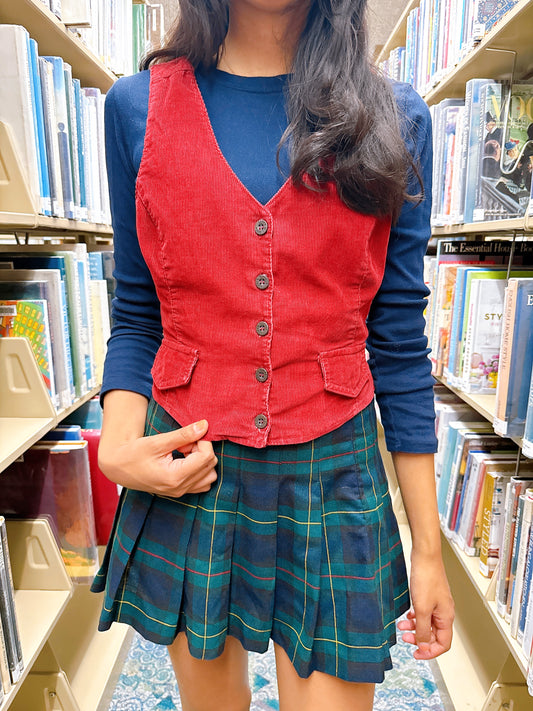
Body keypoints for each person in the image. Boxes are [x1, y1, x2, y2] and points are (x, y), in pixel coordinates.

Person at [92, 1, 455, 710]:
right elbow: (138, 312)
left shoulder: (397, 116)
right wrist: (116, 444)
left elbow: (399, 346)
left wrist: (428, 546)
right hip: (193, 468)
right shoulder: (136, 107)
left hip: (334, 470)